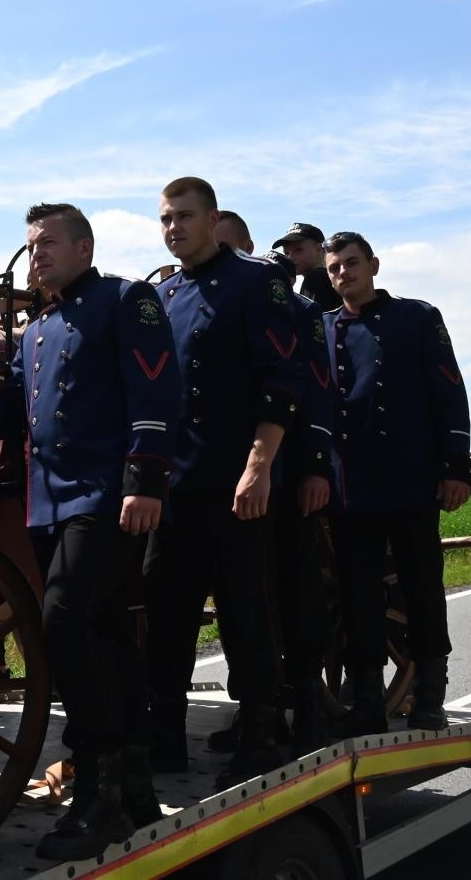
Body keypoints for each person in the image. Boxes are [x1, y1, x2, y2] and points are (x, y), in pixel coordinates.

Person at [0, 202, 181, 862]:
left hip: (109, 495)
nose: (37, 255)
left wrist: (145, 480)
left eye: (49, 243)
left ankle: (97, 792)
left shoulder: (124, 300)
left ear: (84, 245)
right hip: (50, 503)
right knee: (106, 628)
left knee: (62, 619)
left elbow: (155, 393)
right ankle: (133, 783)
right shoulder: (36, 331)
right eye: (31, 246)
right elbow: (8, 418)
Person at [145, 178, 332, 790]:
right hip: (177, 484)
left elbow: (284, 379)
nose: (174, 228)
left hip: (238, 480)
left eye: (185, 217)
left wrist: (261, 467)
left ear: (212, 217)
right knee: (167, 612)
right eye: (166, 218)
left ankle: (259, 734)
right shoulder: (161, 295)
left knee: (244, 609)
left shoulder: (258, 282)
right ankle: (165, 737)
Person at [320, 231, 471, 733]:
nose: (344, 273)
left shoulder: (418, 318)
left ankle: (431, 695)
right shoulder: (322, 329)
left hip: (410, 478)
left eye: (351, 263)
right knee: (359, 597)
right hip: (351, 488)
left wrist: (455, 467)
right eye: (335, 267)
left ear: (374, 265)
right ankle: (367, 702)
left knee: (422, 587)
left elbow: (450, 393)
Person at [273, 222, 342, 312]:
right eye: (286, 253)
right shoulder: (328, 277)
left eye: (298, 250)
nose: (290, 258)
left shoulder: (317, 277)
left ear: (319, 249)